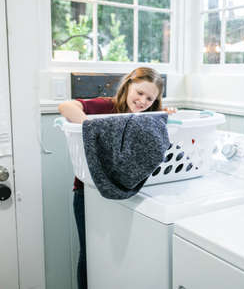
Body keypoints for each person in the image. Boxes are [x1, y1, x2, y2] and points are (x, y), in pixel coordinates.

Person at [58, 67, 175, 289]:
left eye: (150, 98)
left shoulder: (149, 118)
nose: (142, 101)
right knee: (90, 252)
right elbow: (65, 106)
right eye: (139, 93)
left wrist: (167, 115)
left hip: (128, 190)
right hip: (87, 189)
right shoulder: (107, 105)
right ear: (128, 84)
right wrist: (91, 127)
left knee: (115, 257)